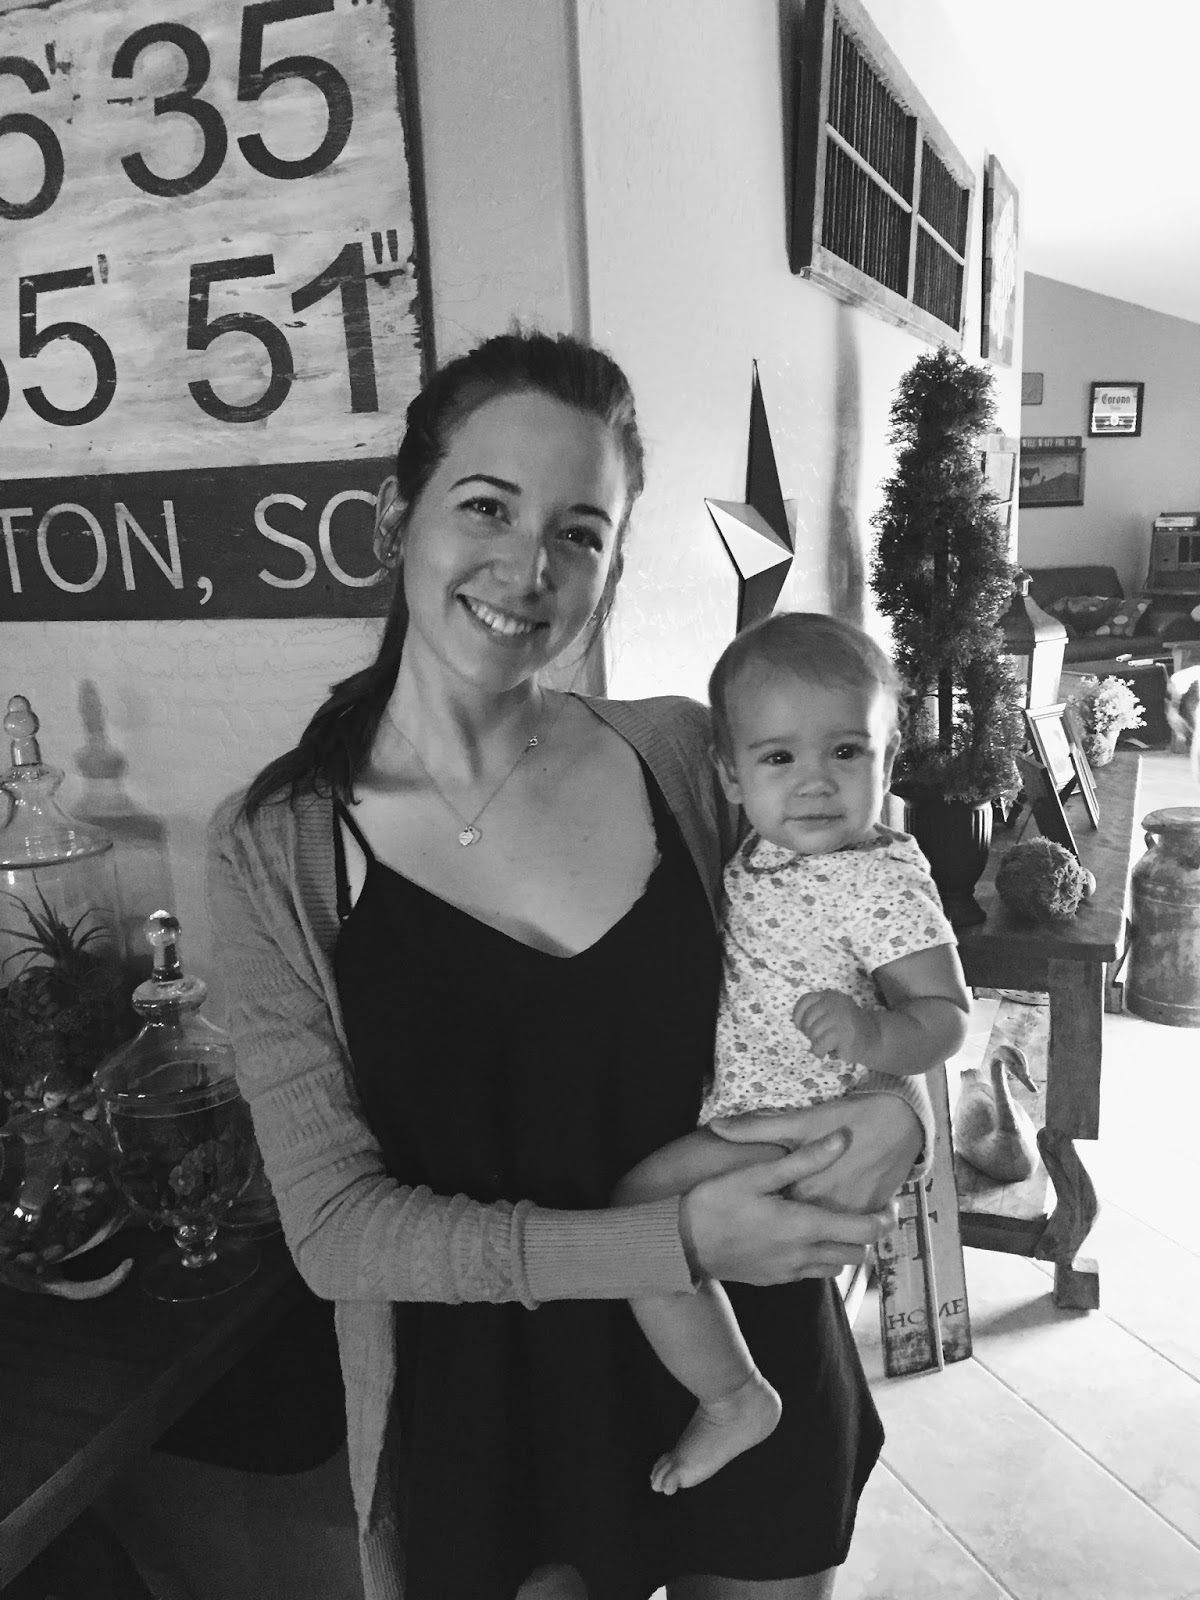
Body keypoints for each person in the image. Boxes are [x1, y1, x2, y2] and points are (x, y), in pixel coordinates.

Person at [207, 328, 938, 1600]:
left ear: (612, 565)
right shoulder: (277, 845)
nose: (528, 567)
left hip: (755, 1345)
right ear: (397, 517)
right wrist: (666, 1239)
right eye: (486, 506)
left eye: (581, 532)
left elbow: (868, 949)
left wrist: (905, 1108)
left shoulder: (689, 758)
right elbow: (336, 1232)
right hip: (497, 1411)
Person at [614, 612, 970, 1497]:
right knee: (649, 1235)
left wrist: (876, 1036)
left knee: (634, 1222)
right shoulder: (761, 853)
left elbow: (947, 1017)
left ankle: (734, 1397)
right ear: (731, 777)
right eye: (779, 758)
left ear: (888, 757)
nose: (814, 781)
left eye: (846, 751)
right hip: (754, 1111)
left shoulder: (880, 877)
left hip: (805, 1128)